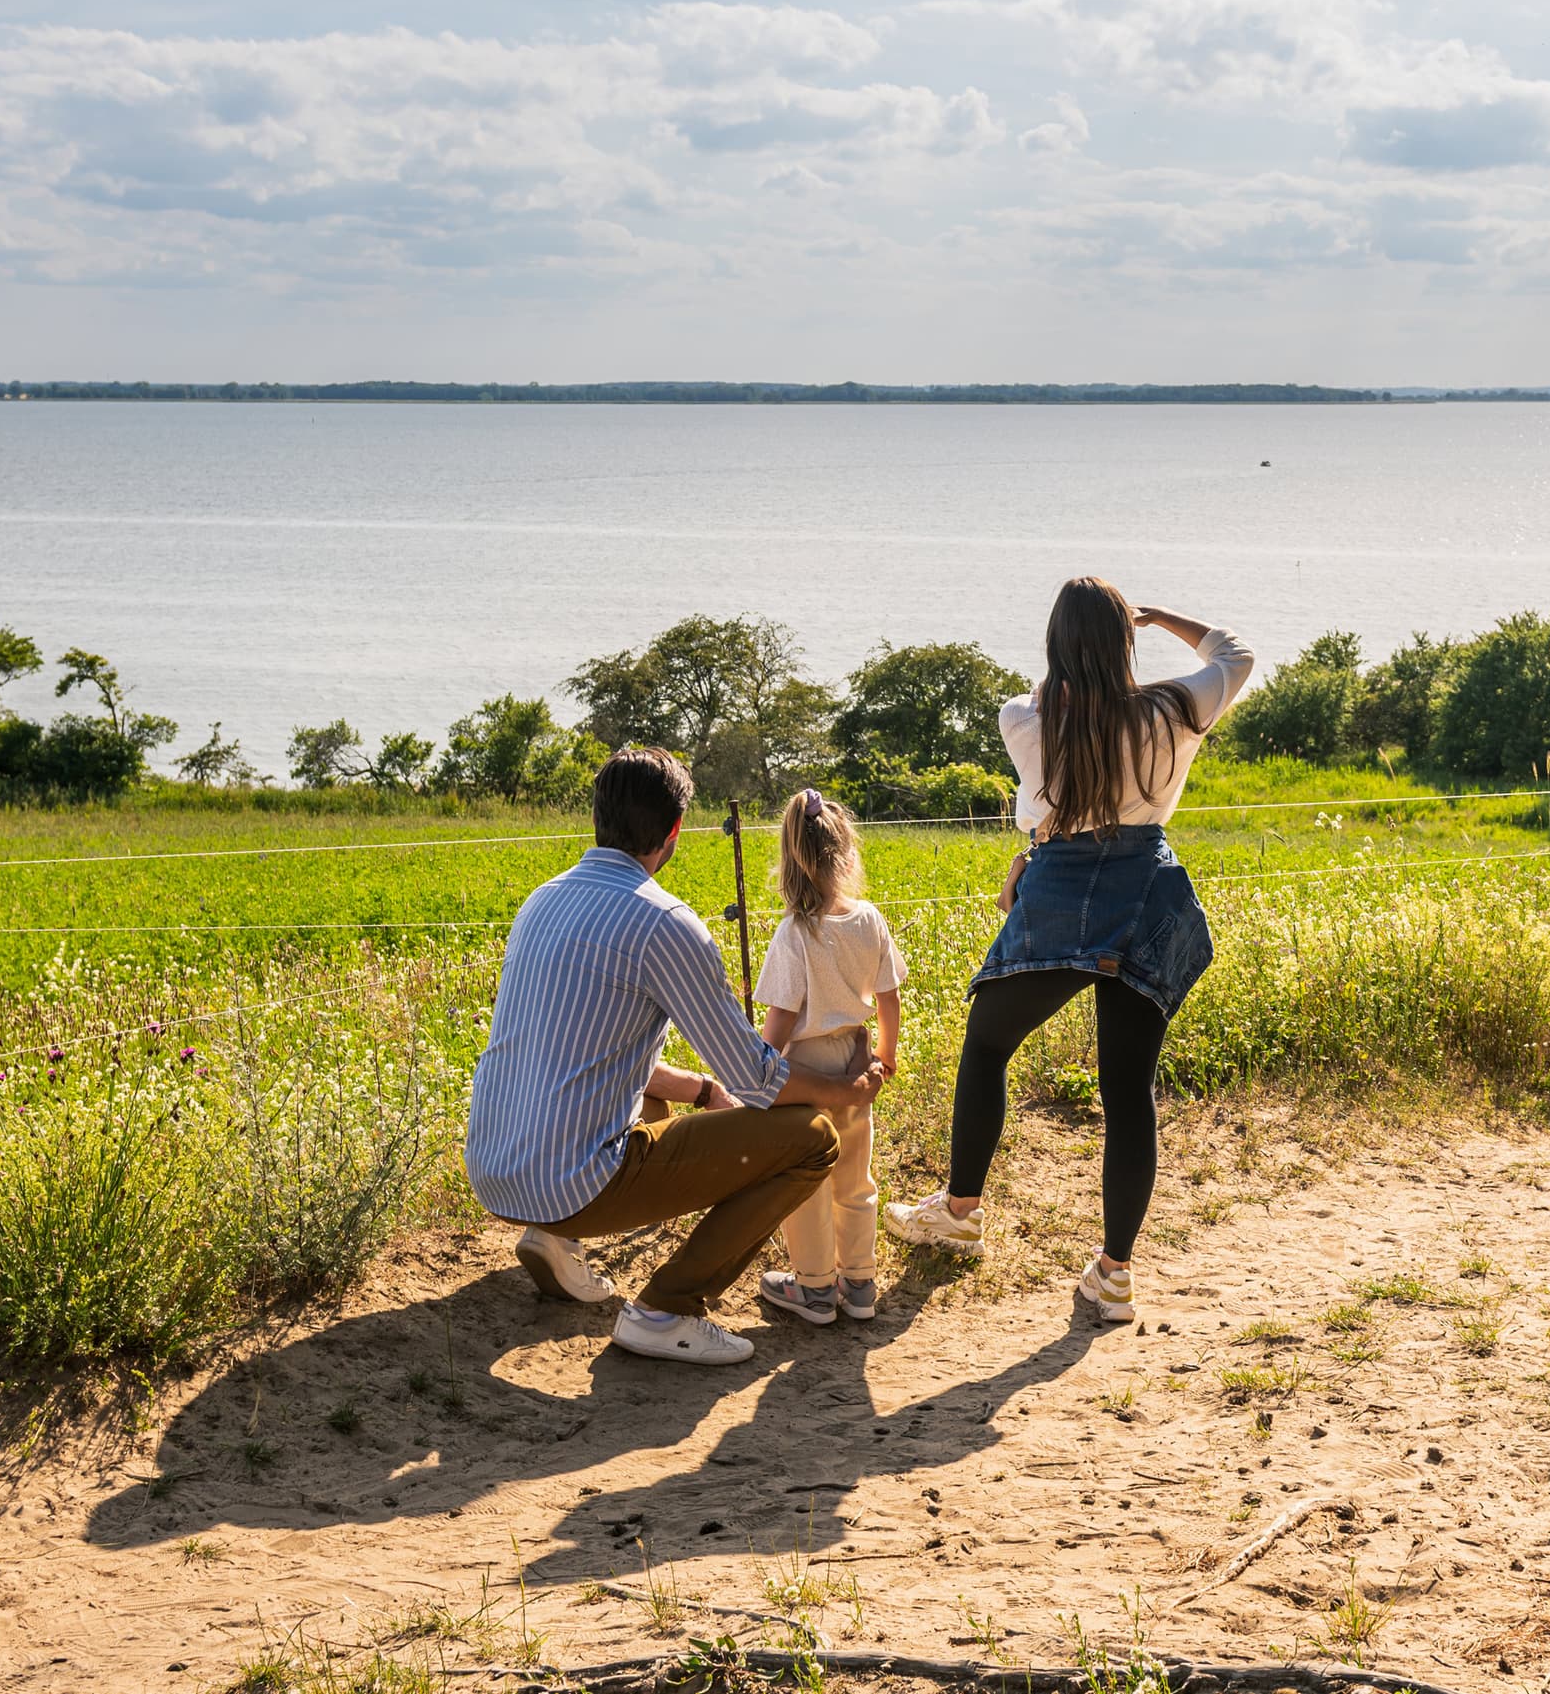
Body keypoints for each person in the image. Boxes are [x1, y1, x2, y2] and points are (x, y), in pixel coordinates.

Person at [886, 580, 1252, 1326]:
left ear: (1054, 647)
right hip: (1145, 887)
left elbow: (1045, 713)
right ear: (1127, 644)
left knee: (987, 1042)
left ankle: (960, 1210)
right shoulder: (1173, 709)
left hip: (1063, 886)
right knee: (1128, 1088)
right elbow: (1235, 653)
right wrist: (1156, 620)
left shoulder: (1027, 720)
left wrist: (1077, 659)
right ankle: (1114, 1273)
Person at [465, 745, 887, 1366]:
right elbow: (754, 1074)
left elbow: (578, 1052)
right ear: (674, 832)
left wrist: (698, 1091)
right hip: (574, 1183)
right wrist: (845, 1093)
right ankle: (668, 1309)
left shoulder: (542, 900)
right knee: (814, 1139)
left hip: (495, 1166)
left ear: (599, 818)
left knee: (660, 1095)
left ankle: (555, 1237)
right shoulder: (663, 921)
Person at [750, 788, 908, 1329]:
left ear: (790, 861)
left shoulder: (795, 933)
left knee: (807, 1177)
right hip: (856, 1062)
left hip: (806, 1070)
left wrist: (760, 1071)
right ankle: (859, 1282)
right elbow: (888, 999)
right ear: (845, 851)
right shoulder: (869, 919)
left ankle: (815, 1288)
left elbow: (781, 1022)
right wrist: (883, 1061)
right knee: (854, 1176)